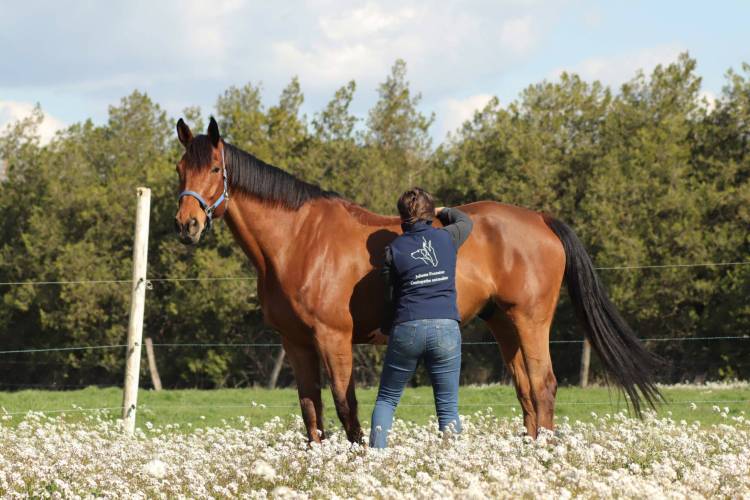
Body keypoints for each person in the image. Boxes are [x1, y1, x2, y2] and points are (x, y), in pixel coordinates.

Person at [370, 187, 474, 448]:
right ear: (429, 214)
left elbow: (391, 296)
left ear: (402, 217)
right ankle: (452, 463)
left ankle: (375, 459)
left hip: (408, 327)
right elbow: (466, 221)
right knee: (448, 407)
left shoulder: (393, 250)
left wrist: (385, 328)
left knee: (387, 399)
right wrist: (443, 211)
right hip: (447, 327)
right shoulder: (447, 237)